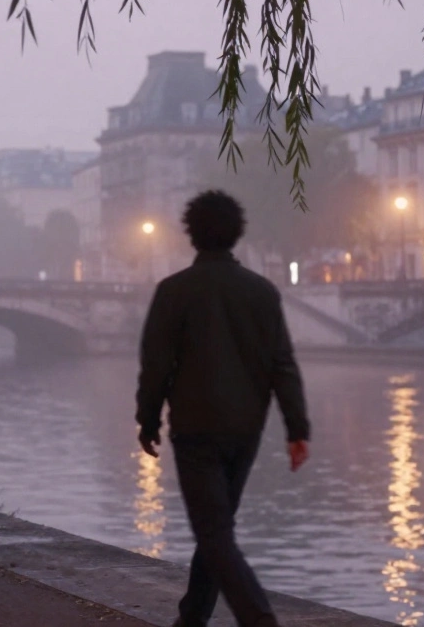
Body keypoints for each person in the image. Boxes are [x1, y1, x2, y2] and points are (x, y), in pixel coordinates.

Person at [136, 190, 311, 627]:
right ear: (237, 234)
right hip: (246, 428)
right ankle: (192, 617)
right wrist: (296, 427)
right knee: (216, 530)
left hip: (195, 428)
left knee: (213, 532)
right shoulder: (261, 292)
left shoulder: (174, 291)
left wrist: (148, 418)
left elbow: (155, 364)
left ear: (191, 235)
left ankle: (259, 618)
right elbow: (282, 364)